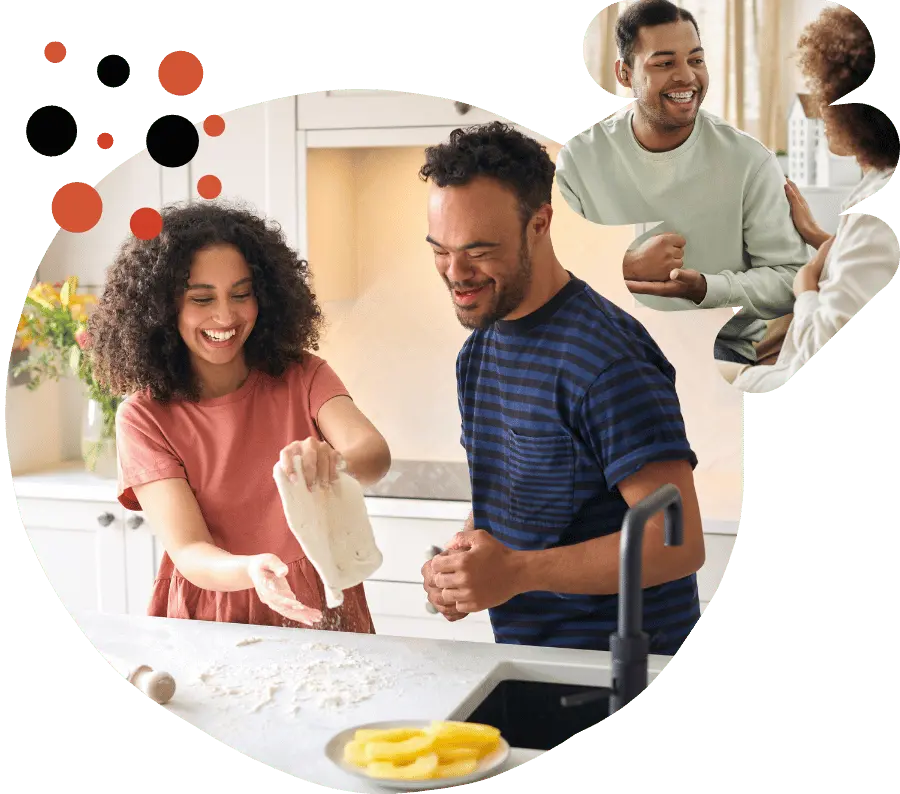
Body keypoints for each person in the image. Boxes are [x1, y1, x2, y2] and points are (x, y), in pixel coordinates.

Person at [418, 121, 706, 656]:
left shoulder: (606, 360)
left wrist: (516, 573)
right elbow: (508, 503)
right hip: (528, 659)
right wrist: (461, 563)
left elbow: (678, 540)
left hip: (620, 673)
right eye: (440, 249)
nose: (455, 272)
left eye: (479, 250)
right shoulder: (479, 351)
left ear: (539, 225)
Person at [87, 202, 391, 630]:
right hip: (216, 606)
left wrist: (333, 461)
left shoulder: (302, 375)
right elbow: (190, 549)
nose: (226, 316)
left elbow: (373, 454)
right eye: (202, 299)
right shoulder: (144, 417)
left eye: (241, 294)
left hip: (321, 593)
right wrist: (251, 571)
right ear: (161, 308)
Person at [555, 0, 809, 366]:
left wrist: (707, 288)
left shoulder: (749, 160)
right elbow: (551, 271)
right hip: (605, 352)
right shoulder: (578, 162)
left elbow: (790, 280)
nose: (687, 77)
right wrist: (624, 266)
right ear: (625, 74)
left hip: (719, 353)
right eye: (664, 63)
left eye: (696, 60)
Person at [728, 4, 900, 394]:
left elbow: (821, 363)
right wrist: (820, 237)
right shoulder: (882, 182)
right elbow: (878, 275)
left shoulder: (877, 214)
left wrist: (805, 288)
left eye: (827, 94)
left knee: (728, 380)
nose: (820, 108)